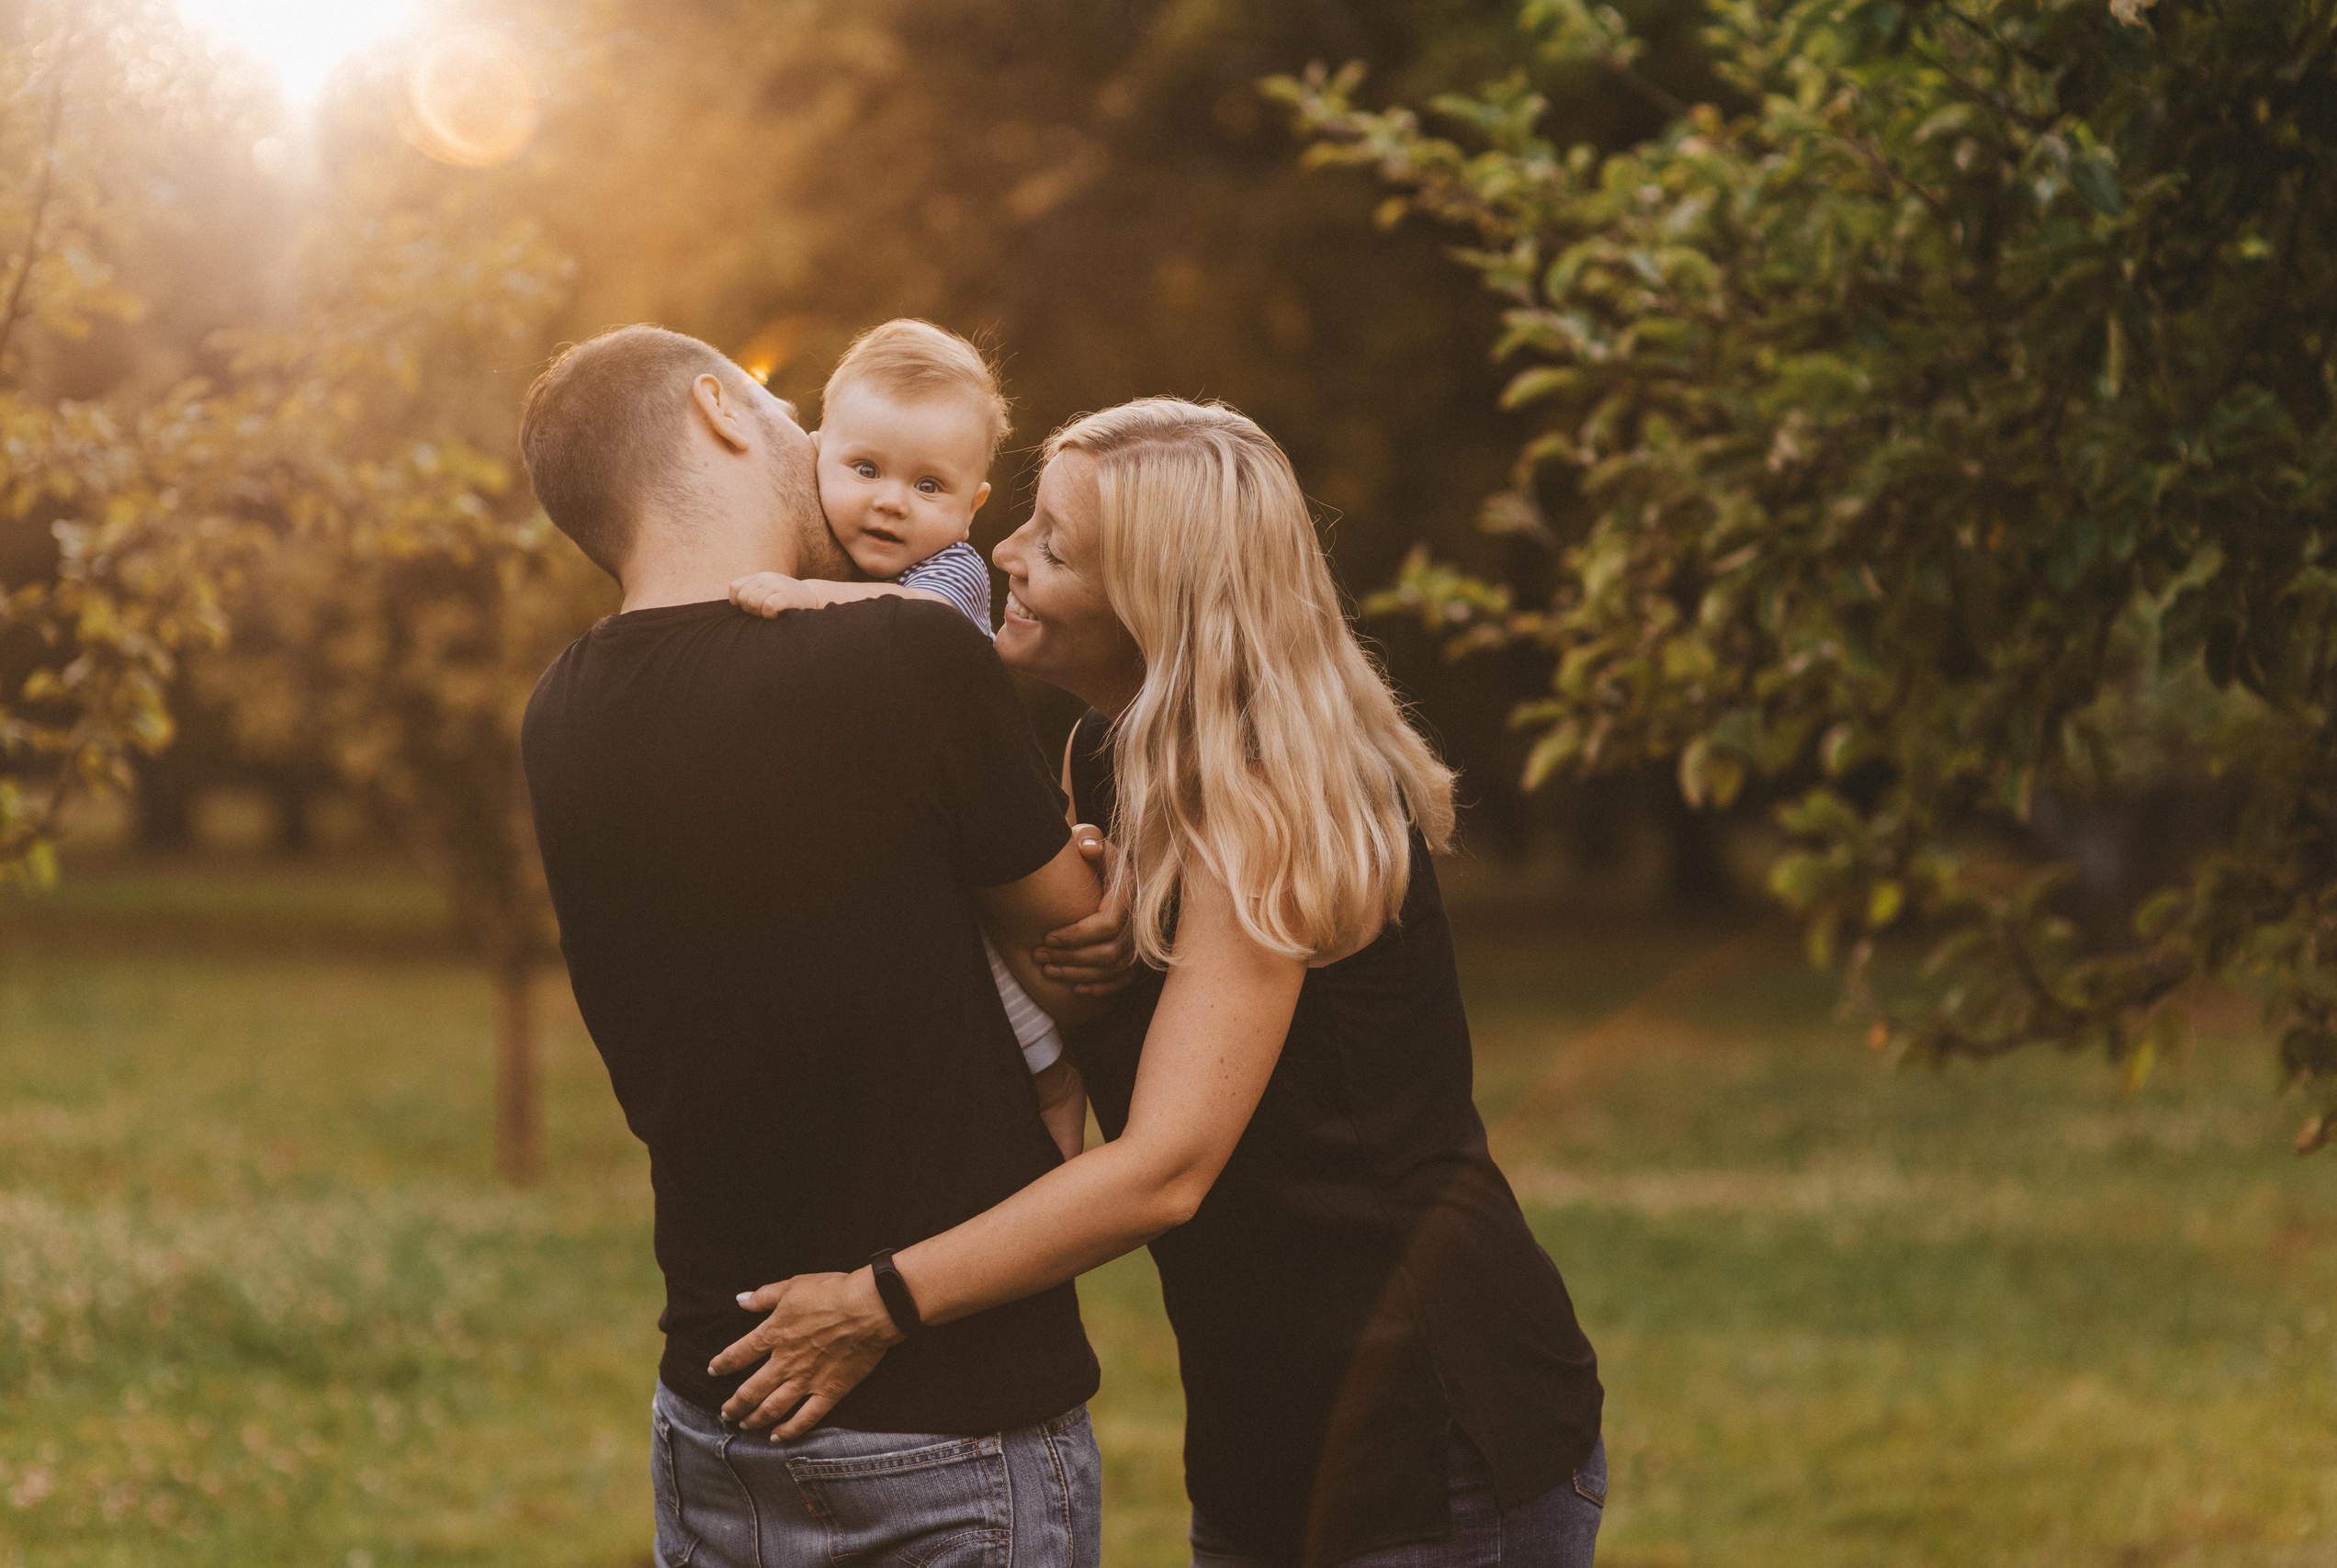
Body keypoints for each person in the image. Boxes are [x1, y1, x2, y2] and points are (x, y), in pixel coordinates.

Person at [716, 398, 1608, 1567]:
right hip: (1264, 1421)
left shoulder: (1270, 795)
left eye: (1057, 546)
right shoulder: (1114, 754)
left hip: (1426, 1425)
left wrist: (875, 1303)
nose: (1003, 553)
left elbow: (1167, 1171)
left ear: (1161, 603)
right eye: (1026, 520)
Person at [514, 323, 1124, 1567]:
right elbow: (1083, 944)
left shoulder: (560, 709)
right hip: (945, 1416)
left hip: (714, 1407)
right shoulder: (902, 651)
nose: (814, 441)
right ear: (722, 412)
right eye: (786, 407)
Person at [729, 318, 1081, 1150]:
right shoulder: (821, 556)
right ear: (814, 455)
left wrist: (809, 597)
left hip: (968, 821)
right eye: (864, 469)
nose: (891, 501)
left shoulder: (945, 571)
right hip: (882, 825)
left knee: (1008, 982)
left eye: (930, 486)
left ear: (972, 505)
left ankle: (1060, 1099)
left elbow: (925, 628)